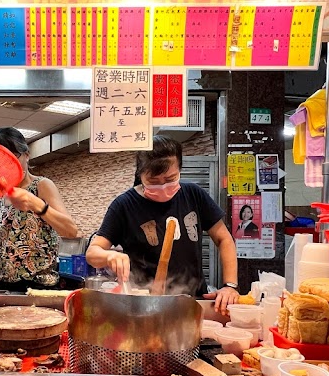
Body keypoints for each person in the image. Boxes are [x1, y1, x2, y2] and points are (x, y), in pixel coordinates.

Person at [86, 135, 240, 314]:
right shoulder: (124, 205)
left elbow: (224, 239)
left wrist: (230, 285)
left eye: (170, 179)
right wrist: (109, 256)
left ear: (180, 169)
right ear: (140, 174)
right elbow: (92, 252)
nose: (163, 186)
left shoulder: (194, 195)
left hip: (193, 303)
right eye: (153, 181)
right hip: (142, 307)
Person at [0, 127, 79, 292]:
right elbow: (8, 238)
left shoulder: (41, 185)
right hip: (4, 284)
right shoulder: (0, 195)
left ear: (26, 155)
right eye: (0, 160)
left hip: (38, 286)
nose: (8, 165)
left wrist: (36, 204)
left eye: (13, 157)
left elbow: (71, 231)